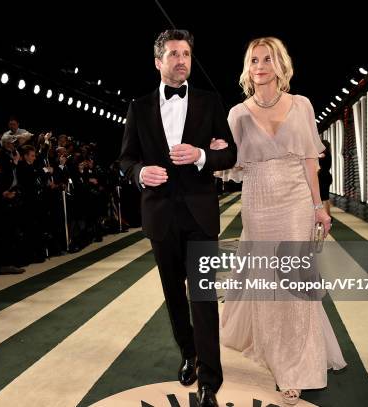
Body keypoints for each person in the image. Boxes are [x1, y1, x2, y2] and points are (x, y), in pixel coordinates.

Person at [219, 37, 346, 405]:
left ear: (280, 65)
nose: (260, 65)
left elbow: (310, 161)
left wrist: (319, 207)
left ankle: (296, 367)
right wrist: (214, 153)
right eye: (254, 60)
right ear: (248, 67)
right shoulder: (237, 114)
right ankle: (274, 352)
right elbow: (234, 165)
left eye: (268, 59)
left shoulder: (301, 105)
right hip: (258, 203)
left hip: (295, 202)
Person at [119, 29, 237, 407]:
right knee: (174, 295)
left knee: (202, 296)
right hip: (160, 215)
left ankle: (209, 379)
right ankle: (188, 353)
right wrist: (139, 173)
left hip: (200, 213)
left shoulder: (209, 101)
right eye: (173, 54)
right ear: (158, 62)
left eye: (186, 53)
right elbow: (124, 159)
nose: (181, 60)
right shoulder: (138, 107)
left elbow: (229, 154)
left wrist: (202, 155)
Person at [318, 140, 333, 216]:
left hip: (323, 177)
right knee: (326, 198)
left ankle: (327, 216)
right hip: (327, 176)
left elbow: (316, 156)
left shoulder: (323, 154)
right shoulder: (328, 154)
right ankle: (328, 215)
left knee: (323, 198)